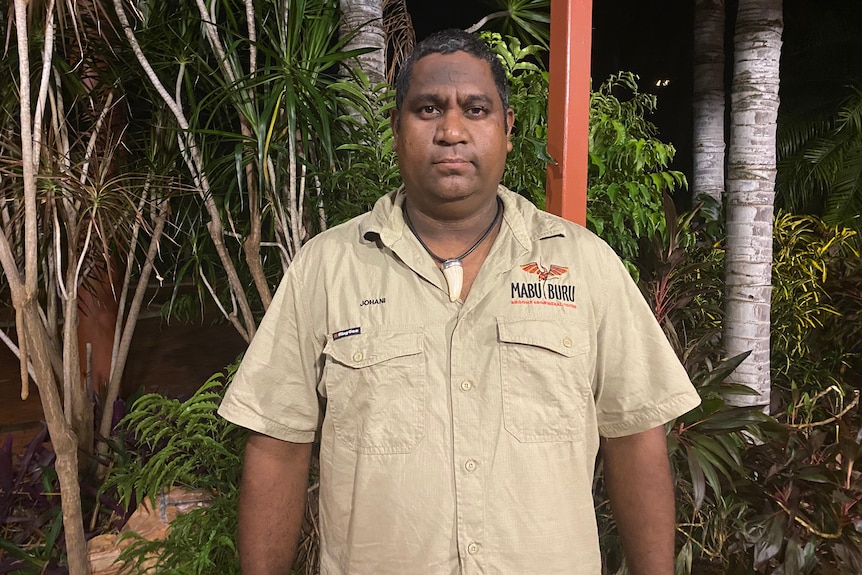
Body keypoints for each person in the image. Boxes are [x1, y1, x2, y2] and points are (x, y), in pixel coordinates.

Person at [218, 29, 701, 575]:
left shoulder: (586, 266)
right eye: (428, 109)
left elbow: (635, 438)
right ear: (397, 130)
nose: (452, 130)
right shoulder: (326, 269)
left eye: (475, 109)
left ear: (507, 129)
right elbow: (278, 446)